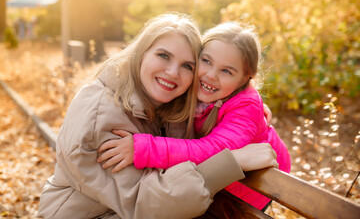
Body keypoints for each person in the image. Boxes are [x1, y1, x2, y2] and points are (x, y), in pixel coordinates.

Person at [38, 13, 279, 219]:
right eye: (163, 56)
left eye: (187, 65)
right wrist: (232, 161)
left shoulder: (171, 103)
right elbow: (147, 203)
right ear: (142, 52)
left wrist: (249, 107)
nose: (173, 72)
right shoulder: (99, 115)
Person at [97, 21, 291, 211]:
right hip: (216, 177)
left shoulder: (245, 109)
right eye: (206, 61)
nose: (210, 75)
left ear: (245, 78)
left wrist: (144, 148)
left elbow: (213, 150)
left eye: (226, 71)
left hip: (251, 185)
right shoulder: (193, 83)